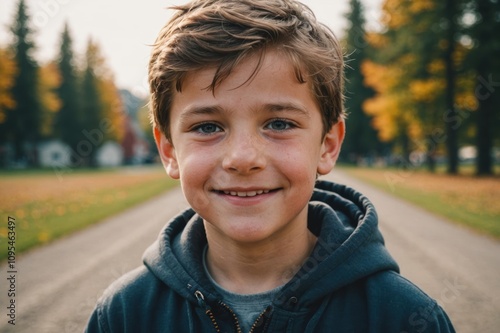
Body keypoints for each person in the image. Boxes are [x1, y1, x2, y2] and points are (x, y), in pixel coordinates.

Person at [85, 0, 455, 332]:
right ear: (169, 151)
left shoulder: (402, 317)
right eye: (207, 127)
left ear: (327, 145)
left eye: (279, 124)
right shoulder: (123, 315)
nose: (243, 158)